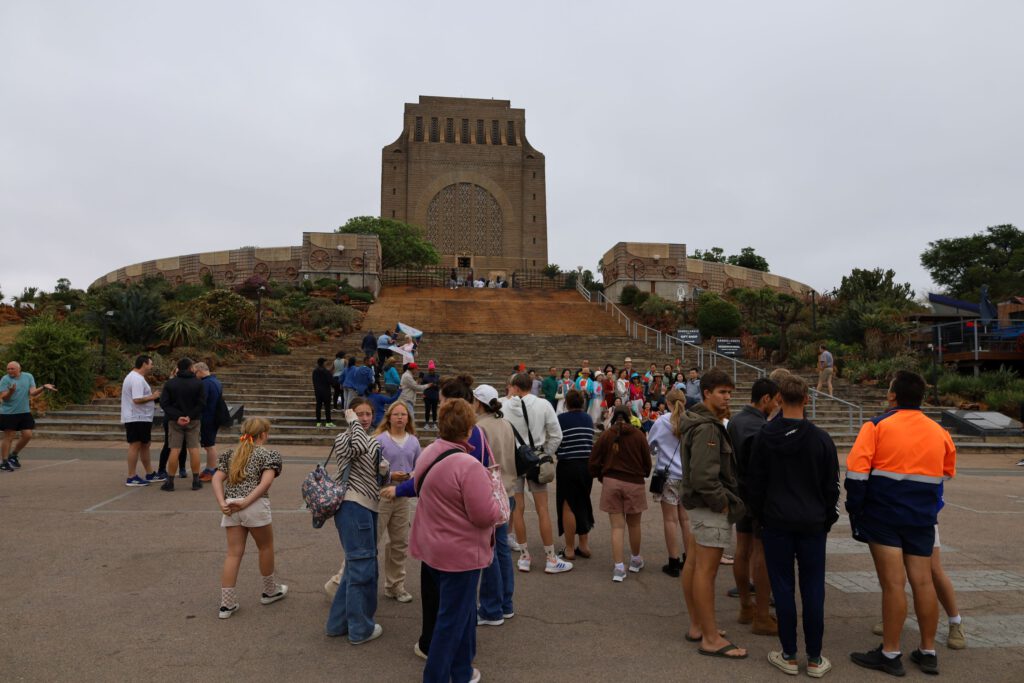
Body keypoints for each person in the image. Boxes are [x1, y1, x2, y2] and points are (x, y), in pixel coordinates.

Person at [846, 370, 957, 676]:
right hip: (921, 517)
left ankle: (891, 652)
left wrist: (856, 509)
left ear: (892, 396)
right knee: (923, 582)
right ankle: (928, 651)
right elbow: (946, 473)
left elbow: (856, 474)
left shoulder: (876, 426)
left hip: (883, 515)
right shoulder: (939, 432)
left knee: (893, 584)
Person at [746, 374, 838, 678]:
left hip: (776, 521)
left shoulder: (764, 437)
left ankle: (788, 653)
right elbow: (832, 486)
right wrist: (827, 518)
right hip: (812, 522)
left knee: (783, 587)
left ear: (779, 399)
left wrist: (761, 516)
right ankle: (814, 657)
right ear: (807, 399)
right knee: (813, 588)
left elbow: (754, 483)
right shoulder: (821, 439)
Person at [410, 398, 503, 683]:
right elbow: (484, 515)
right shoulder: (468, 465)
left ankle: (462, 671)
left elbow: (419, 487)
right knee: (451, 620)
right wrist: (499, 505)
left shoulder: (428, 452)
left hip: (433, 547)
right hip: (460, 553)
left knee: (461, 615)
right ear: (469, 428)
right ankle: (436, 677)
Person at [679, 368, 747, 659]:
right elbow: (704, 477)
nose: (727, 397)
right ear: (707, 393)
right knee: (706, 573)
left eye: (729, 392)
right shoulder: (707, 427)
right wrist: (722, 503)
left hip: (700, 506)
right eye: (722, 392)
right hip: (709, 507)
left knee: (695, 567)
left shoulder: (698, 420)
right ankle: (710, 638)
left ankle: (699, 626)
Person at [326, 398, 390, 644]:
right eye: (359, 414)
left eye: (368, 414)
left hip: (367, 505)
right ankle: (360, 629)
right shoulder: (345, 438)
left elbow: (376, 478)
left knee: (357, 567)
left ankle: (337, 624)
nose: (364, 418)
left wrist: (384, 471)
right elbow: (360, 446)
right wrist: (351, 420)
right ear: (350, 415)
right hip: (353, 505)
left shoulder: (370, 440)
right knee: (362, 567)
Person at [211, 417, 287, 619]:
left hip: (231, 505)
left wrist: (222, 502)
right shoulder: (268, 454)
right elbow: (265, 483)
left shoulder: (231, 453)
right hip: (254, 505)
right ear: (263, 434)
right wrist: (246, 502)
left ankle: (227, 604)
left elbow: (217, 478)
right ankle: (270, 591)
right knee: (265, 547)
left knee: (233, 553)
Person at [501, 372, 571, 574]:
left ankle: (524, 556)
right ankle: (550, 557)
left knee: (517, 509)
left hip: (515, 459)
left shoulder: (504, 406)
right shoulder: (543, 405)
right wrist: (545, 453)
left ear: (514, 386)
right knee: (542, 509)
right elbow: (557, 435)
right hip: (536, 457)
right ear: (531, 385)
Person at [726, 377, 780, 637]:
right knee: (761, 552)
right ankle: (761, 615)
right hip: (758, 495)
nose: (777, 406)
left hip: (739, 491)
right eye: (776, 401)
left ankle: (746, 606)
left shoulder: (735, 421)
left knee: (742, 549)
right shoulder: (761, 426)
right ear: (766, 399)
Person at [473, 384, 518, 627]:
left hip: (490, 492)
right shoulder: (505, 423)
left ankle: (491, 608)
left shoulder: (480, 427)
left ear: (478, 403)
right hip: (507, 490)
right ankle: (505, 603)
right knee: (501, 550)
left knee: (490, 551)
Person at [589, 405, 651, 582]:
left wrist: (601, 476)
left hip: (611, 482)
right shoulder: (639, 435)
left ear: (614, 416)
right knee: (634, 525)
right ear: (630, 416)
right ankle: (635, 559)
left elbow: (593, 460)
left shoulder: (607, 435)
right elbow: (647, 463)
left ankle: (618, 567)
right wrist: (643, 473)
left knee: (617, 527)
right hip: (634, 482)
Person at [373, 401, 420, 604]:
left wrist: (410, 475)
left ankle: (395, 586)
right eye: (396, 414)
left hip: (402, 496)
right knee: (371, 540)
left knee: (400, 542)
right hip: (382, 494)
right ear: (389, 417)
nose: (400, 417)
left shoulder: (414, 441)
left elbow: (419, 466)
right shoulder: (379, 440)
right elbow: (371, 468)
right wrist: (391, 475)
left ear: (408, 419)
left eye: (404, 414)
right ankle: (348, 582)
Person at [647, 388, 690, 578]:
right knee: (686, 520)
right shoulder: (691, 421)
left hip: (668, 474)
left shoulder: (661, 421)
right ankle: (689, 559)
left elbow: (650, 446)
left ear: (668, 403)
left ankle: (673, 561)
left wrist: (659, 450)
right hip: (687, 475)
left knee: (670, 520)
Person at [555, 389, 595, 561]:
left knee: (568, 505)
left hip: (568, 465)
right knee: (583, 501)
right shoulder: (588, 418)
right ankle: (584, 545)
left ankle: (570, 548)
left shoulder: (561, 419)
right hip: (586, 465)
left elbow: (556, 440)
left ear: (567, 403)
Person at [158, 357, 207, 491]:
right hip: (193, 420)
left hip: (175, 421)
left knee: (174, 449)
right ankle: (196, 480)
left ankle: (170, 481)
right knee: (194, 448)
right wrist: (189, 416)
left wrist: (177, 416)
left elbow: (164, 403)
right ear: (191, 368)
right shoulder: (198, 383)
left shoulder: (170, 384)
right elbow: (202, 403)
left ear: (178, 368)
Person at [0, 361, 56, 471]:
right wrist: (11, 391)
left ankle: (13, 455)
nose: (10, 371)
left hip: (24, 412)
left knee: (28, 435)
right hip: (8, 413)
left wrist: (43, 387)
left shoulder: (28, 376)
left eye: (12, 369)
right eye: (8, 369)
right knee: (9, 437)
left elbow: (33, 393)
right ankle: (4, 462)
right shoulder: (5, 379)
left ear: (19, 369)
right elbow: (4, 398)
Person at [120, 355, 162, 486]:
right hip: (136, 417)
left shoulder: (136, 377)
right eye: (150, 364)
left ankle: (150, 473)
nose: (152, 366)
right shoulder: (136, 378)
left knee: (145, 444)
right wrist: (153, 396)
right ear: (144, 364)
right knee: (135, 445)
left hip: (142, 417)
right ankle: (131, 476)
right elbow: (137, 399)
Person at [195, 362, 225, 481]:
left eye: (195, 373)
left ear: (200, 371)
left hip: (208, 417)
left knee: (209, 445)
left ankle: (211, 470)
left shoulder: (205, 383)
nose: (195, 376)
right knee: (209, 445)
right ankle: (209, 468)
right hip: (214, 416)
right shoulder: (215, 381)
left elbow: (202, 401)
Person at [312, 358, 336, 428]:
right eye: (325, 362)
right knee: (327, 407)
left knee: (318, 406)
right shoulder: (326, 372)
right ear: (323, 363)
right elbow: (331, 382)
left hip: (318, 391)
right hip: (326, 391)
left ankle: (318, 422)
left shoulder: (315, 371)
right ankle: (328, 422)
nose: (326, 364)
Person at [421, 360, 441, 430]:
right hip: (427, 396)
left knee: (434, 410)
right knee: (427, 410)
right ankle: (426, 423)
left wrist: (435, 385)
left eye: (432, 369)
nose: (431, 371)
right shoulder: (425, 376)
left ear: (434, 369)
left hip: (435, 396)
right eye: (430, 370)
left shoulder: (437, 376)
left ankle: (434, 423)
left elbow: (439, 386)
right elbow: (422, 386)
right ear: (428, 370)